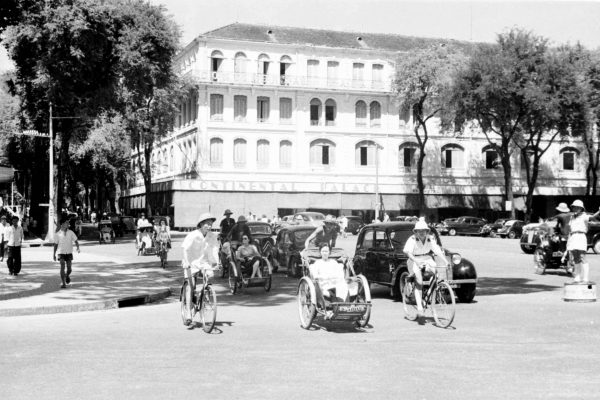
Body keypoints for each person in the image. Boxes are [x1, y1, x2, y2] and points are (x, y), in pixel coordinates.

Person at [403, 217, 448, 324]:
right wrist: (416, 261)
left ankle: (429, 294)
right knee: (419, 281)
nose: (422, 233)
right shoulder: (412, 239)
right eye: (419, 231)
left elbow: (437, 250)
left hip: (427, 258)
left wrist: (445, 261)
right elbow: (408, 252)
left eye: (424, 230)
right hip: (414, 259)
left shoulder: (430, 238)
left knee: (435, 272)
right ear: (416, 232)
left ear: (427, 231)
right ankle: (419, 308)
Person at [181, 213, 220, 325]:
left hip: (204, 263)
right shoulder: (193, 235)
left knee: (210, 275)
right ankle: (188, 311)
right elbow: (184, 248)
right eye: (207, 224)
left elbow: (214, 249)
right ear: (201, 224)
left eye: (211, 224)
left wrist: (217, 262)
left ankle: (205, 295)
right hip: (191, 263)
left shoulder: (212, 236)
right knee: (190, 286)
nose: (209, 226)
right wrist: (186, 261)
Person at [309, 243, 351, 312]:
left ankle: (346, 306)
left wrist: (336, 278)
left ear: (329, 252)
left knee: (344, 286)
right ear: (320, 252)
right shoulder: (317, 263)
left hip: (335, 282)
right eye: (323, 251)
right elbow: (315, 275)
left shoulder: (334, 262)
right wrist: (324, 277)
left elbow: (339, 274)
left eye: (326, 251)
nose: (325, 253)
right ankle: (335, 307)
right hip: (323, 284)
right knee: (332, 290)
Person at [566, 200, 600, 283]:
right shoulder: (572, 217)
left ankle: (585, 277)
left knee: (582, 256)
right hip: (573, 236)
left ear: (581, 208)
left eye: (578, 207)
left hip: (581, 236)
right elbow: (570, 229)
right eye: (574, 207)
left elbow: (592, 217)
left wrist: (599, 211)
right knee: (576, 258)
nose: (575, 209)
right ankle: (577, 277)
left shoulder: (584, 216)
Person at [53, 218, 80, 288]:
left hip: (69, 252)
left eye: (68, 223)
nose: (68, 224)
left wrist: (78, 247)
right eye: (66, 222)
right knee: (62, 265)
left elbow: (76, 240)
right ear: (62, 224)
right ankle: (63, 283)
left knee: (69, 269)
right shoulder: (57, 234)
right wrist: (54, 254)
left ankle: (67, 275)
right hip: (61, 252)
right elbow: (55, 245)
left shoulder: (71, 232)